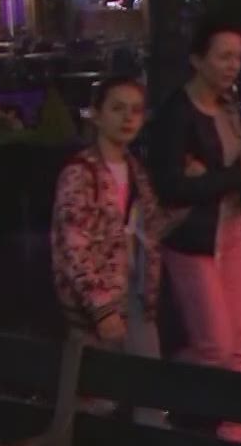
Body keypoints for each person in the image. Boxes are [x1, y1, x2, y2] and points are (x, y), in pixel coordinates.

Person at [148, 19, 241, 442]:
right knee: (215, 346)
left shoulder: (228, 106)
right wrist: (237, 175)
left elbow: (231, 165)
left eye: (238, 57)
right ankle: (167, 390)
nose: (232, 66)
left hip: (232, 229)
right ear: (197, 60)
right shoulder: (176, 114)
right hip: (192, 238)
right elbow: (170, 186)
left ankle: (234, 434)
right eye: (223, 57)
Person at [50, 76, 169, 357]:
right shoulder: (80, 173)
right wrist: (101, 308)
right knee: (99, 380)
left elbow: (152, 227)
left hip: (137, 298)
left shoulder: (137, 171)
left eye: (135, 110)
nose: (128, 118)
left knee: (148, 377)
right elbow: (75, 247)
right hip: (95, 308)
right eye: (117, 108)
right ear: (97, 115)